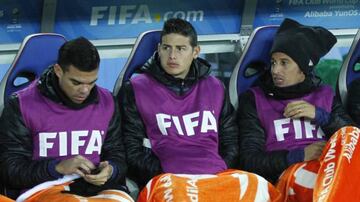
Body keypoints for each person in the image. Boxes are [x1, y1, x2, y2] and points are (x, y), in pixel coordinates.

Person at [119, 18, 281, 202]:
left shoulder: (215, 87)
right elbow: (131, 150)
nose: (172, 55)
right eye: (166, 48)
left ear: (196, 51)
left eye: (181, 48)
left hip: (218, 174)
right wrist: (163, 170)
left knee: (259, 186)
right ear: (159, 49)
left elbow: (230, 140)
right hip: (169, 178)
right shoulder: (136, 89)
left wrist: (219, 167)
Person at [237, 18, 356, 201]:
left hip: (329, 167)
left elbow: (352, 138)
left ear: (303, 68)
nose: (275, 70)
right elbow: (249, 160)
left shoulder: (325, 94)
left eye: (284, 63)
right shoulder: (254, 100)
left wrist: (320, 116)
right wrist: (299, 155)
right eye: (273, 62)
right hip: (287, 175)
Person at [0, 37, 131, 201]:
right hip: (43, 189)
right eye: (76, 82)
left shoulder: (108, 102)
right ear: (58, 71)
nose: (85, 90)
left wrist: (112, 171)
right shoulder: (22, 104)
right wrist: (57, 168)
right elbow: (10, 169)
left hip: (101, 190)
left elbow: (117, 154)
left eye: (91, 83)